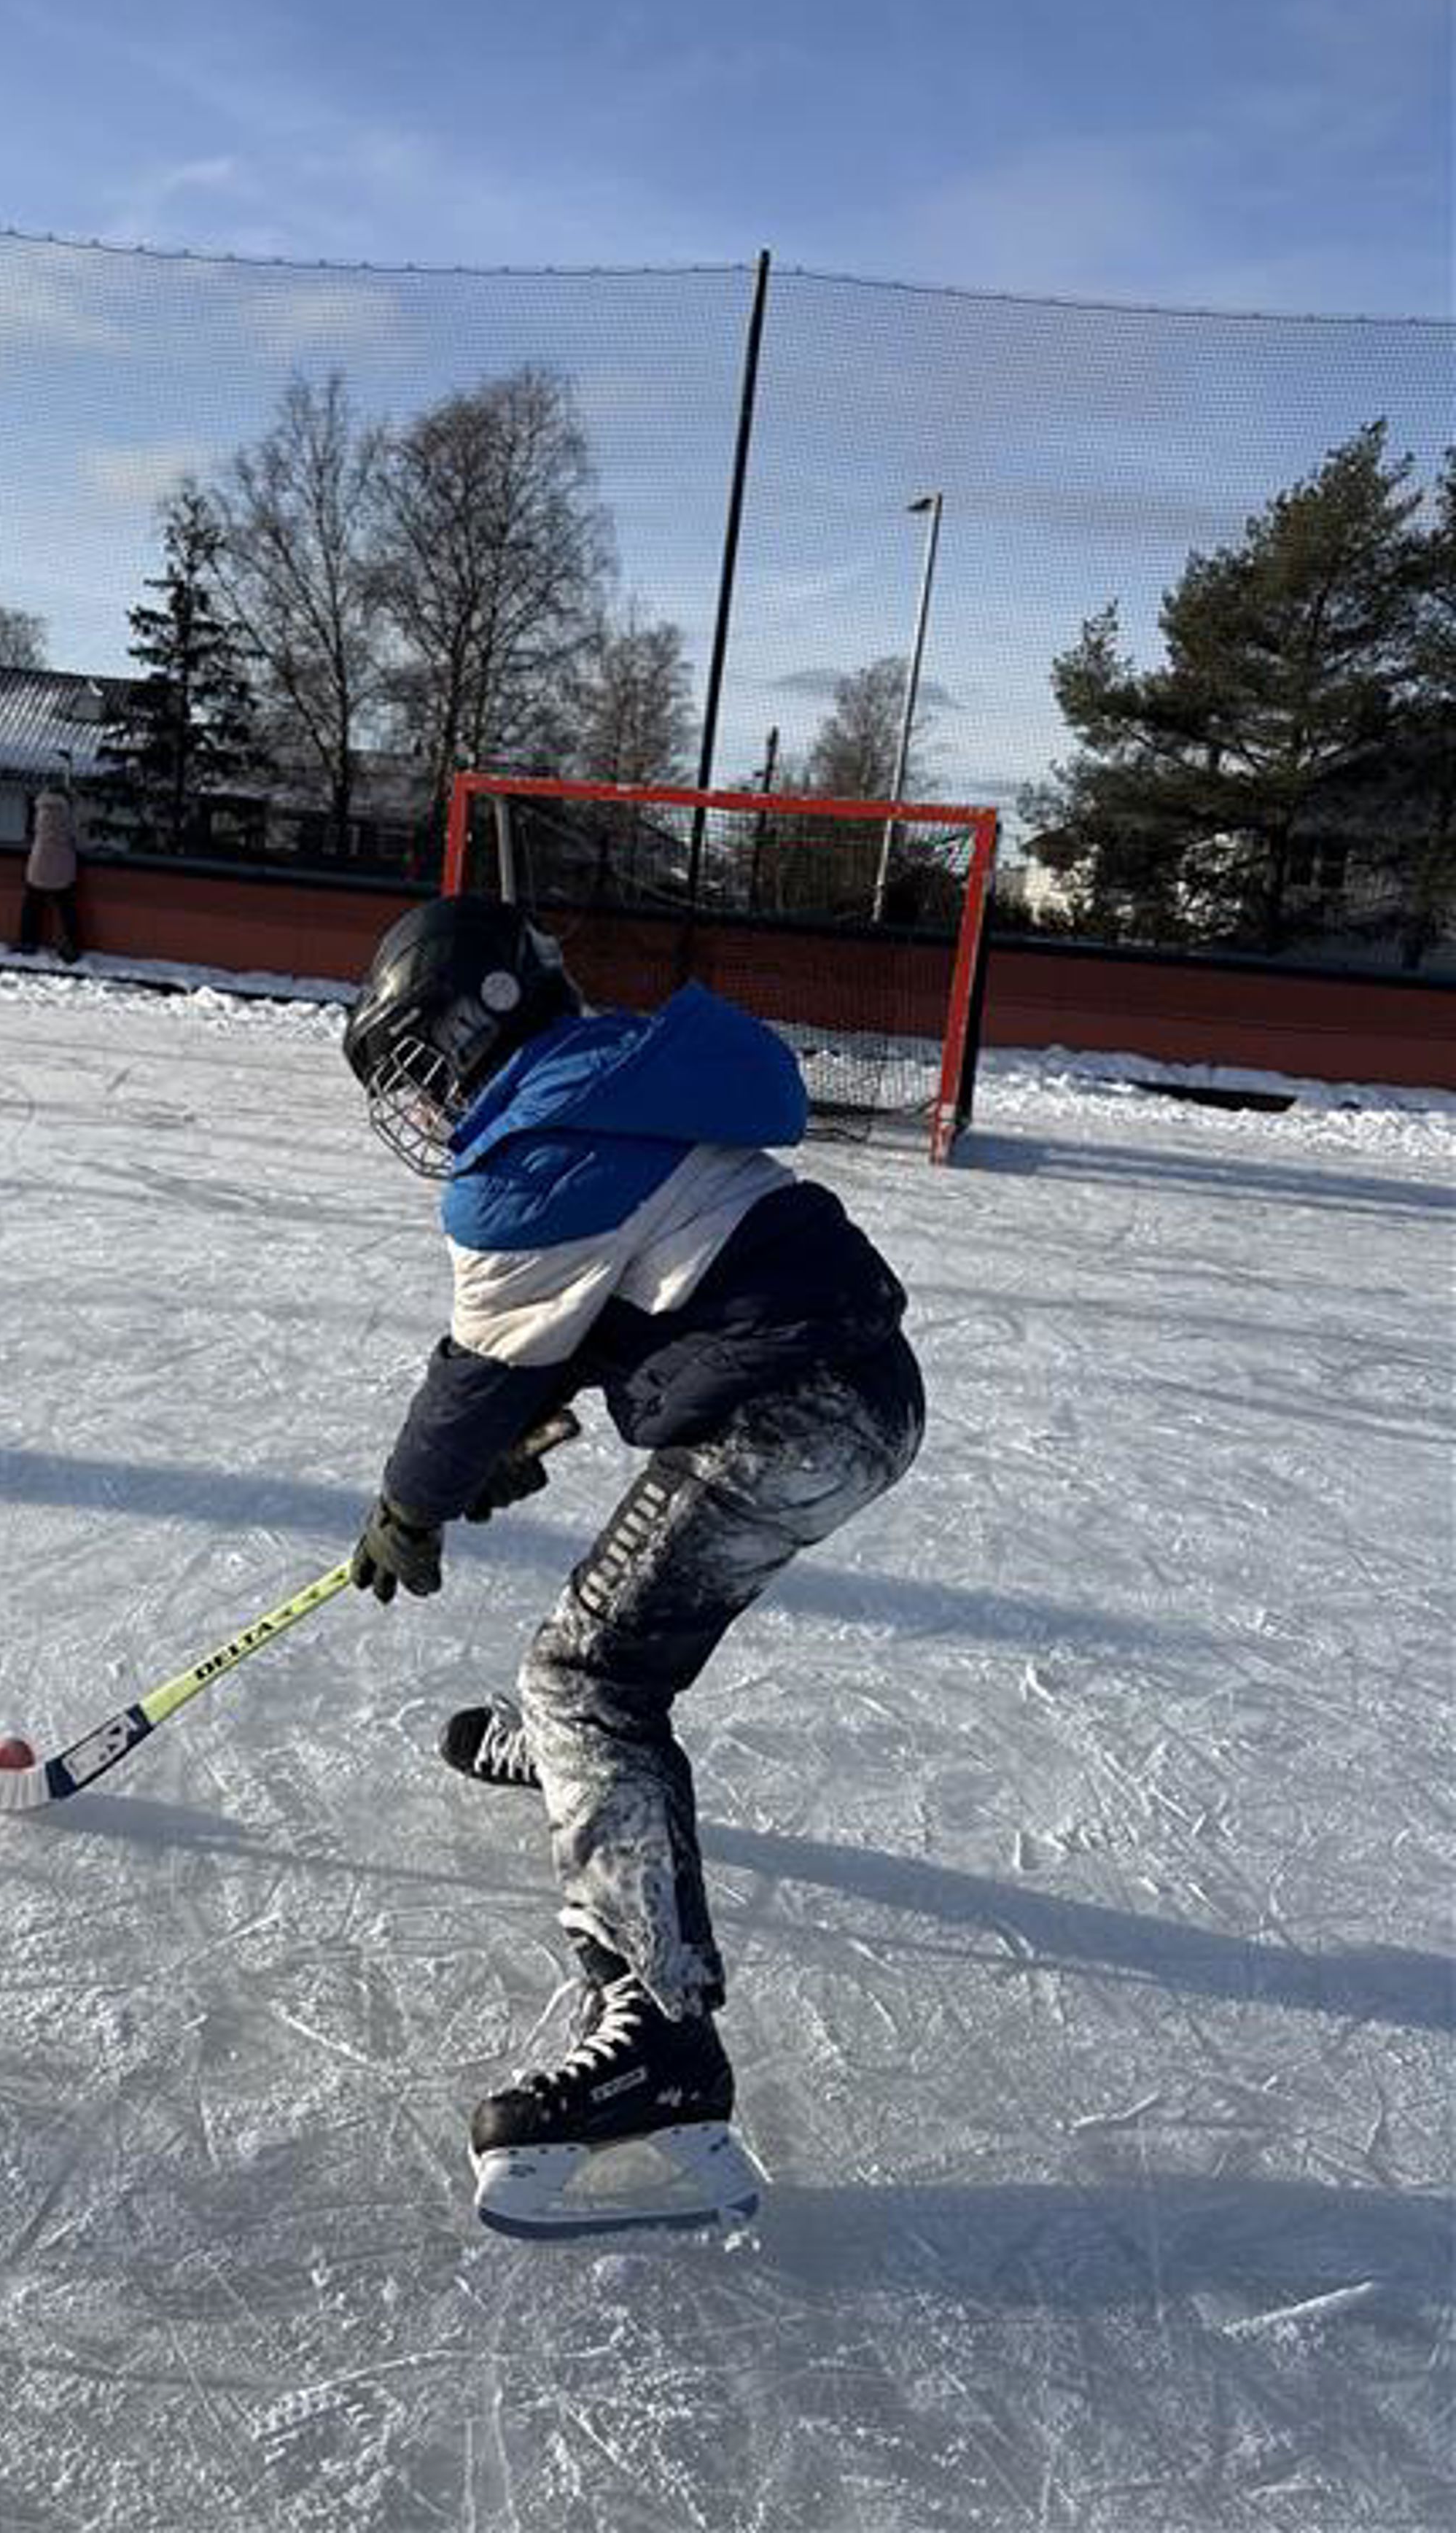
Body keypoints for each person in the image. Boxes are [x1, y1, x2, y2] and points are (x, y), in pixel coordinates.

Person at [342, 893, 925, 2237]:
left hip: (791, 1406)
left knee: (587, 1678)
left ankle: (661, 2041)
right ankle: (570, 1766)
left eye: (424, 1065)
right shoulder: (608, 1067)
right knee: (608, 1651)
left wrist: (409, 1504)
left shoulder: (530, 1154)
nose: (425, 1109)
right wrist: (536, 1401)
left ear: (484, 1020)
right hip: (851, 1383)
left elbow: (472, 1374)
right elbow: (653, 1274)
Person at [17, 787, 82, 961]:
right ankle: (72, 945)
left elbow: (33, 831)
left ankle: (27, 942)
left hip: (39, 863)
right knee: (67, 909)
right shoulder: (68, 813)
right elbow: (77, 835)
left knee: (32, 905)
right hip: (62, 866)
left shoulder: (40, 809)